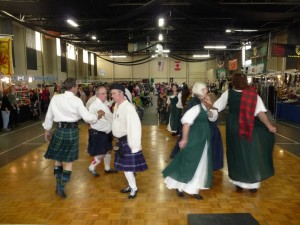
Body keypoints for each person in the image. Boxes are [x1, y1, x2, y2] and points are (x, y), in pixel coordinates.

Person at [213, 73, 276, 193]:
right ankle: (252, 185)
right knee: (251, 153)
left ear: (233, 82)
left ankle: (239, 184)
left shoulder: (228, 93)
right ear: (245, 81)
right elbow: (261, 113)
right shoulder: (253, 94)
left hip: (233, 127)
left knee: (235, 153)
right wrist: (269, 126)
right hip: (248, 126)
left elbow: (216, 107)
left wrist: (206, 106)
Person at [42, 78, 105, 198]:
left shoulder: (55, 98)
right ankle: (61, 186)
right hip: (71, 131)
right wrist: (98, 114)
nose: (77, 88)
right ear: (74, 87)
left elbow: (49, 115)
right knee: (68, 161)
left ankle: (58, 184)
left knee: (58, 159)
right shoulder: (76, 100)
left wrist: (47, 130)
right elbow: (87, 118)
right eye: (77, 86)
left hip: (59, 130)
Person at [162, 82, 218, 199]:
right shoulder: (195, 105)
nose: (207, 91)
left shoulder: (203, 105)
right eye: (204, 90)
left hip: (203, 140)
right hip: (194, 139)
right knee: (188, 162)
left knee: (201, 163)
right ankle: (179, 186)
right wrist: (184, 139)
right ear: (200, 92)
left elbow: (212, 117)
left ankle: (193, 189)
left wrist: (209, 107)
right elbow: (186, 122)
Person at [110, 83, 148, 199]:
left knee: (127, 168)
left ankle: (134, 188)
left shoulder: (128, 108)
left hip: (128, 141)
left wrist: (135, 146)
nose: (112, 96)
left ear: (122, 94)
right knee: (126, 168)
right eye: (111, 93)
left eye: (114, 93)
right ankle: (130, 186)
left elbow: (135, 127)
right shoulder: (117, 105)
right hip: (120, 141)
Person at [87, 86, 117, 176]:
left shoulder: (104, 103)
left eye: (106, 93)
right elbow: (90, 119)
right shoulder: (94, 106)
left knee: (108, 150)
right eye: (103, 93)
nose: (105, 95)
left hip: (107, 132)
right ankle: (91, 167)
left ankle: (107, 168)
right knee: (101, 154)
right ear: (97, 95)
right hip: (98, 133)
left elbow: (110, 116)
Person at [205, 92, 224, 170]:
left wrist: (206, 109)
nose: (205, 100)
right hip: (207, 131)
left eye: (207, 99)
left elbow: (211, 116)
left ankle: (213, 164)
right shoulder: (209, 108)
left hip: (212, 132)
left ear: (212, 101)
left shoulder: (213, 110)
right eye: (205, 99)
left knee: (212, 148)